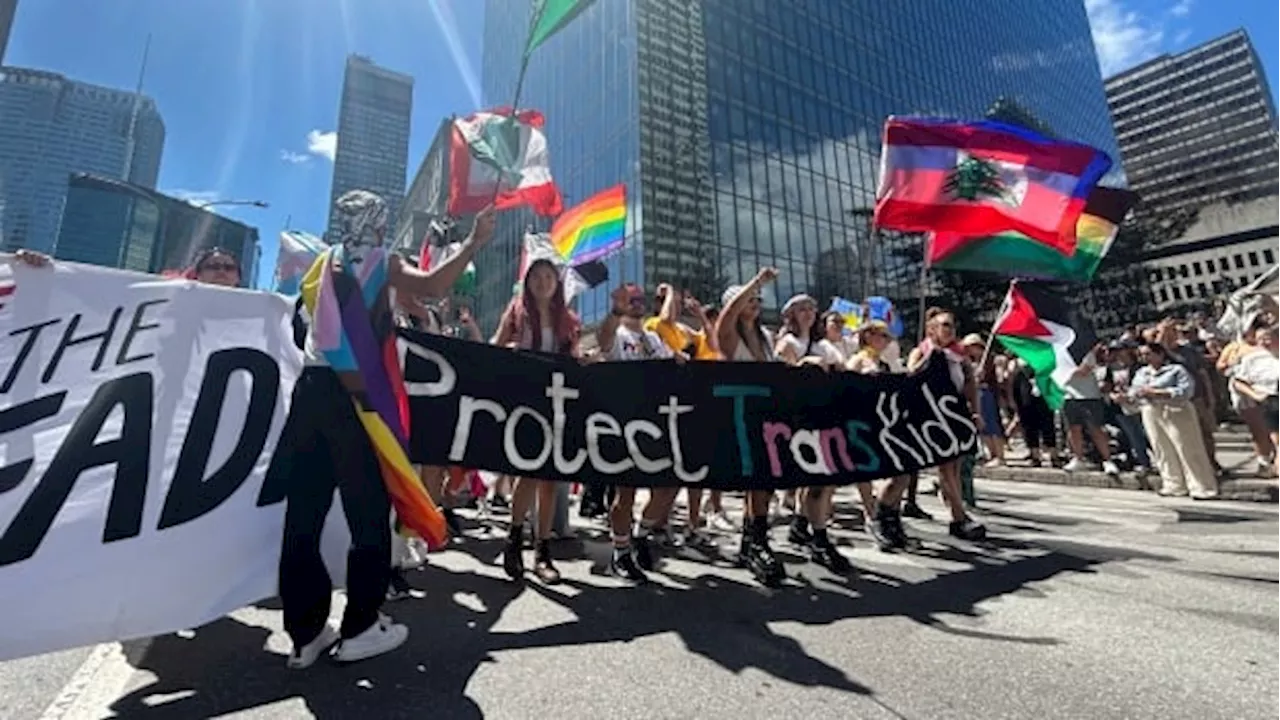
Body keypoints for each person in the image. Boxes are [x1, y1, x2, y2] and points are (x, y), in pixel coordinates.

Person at [273, 191, 494, 669]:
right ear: (377, 224)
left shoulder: (322, 266)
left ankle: (304, 633)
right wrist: (474, 243)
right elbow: (434, 286)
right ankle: (360, 627)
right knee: (368, 513)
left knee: (303, 518)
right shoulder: (379, 261)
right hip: (355, 399)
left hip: (309, 392)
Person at [492, 258, 582, 584]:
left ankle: (543, 551)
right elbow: (493, 348)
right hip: (524, 405)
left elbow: (573, 360)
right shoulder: (516, 312)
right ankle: (514, 540)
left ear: (557, 284)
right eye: (537, 276)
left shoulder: (568, 320)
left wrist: (581, 358)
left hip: (556, 406)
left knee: (550, 480)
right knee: (527, 474)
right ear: (528, 281)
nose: (543, 281)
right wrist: (511, 349)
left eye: (549, 276)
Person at [597, 283, 687, 582]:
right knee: (626, 493)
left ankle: (640, 534)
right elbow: (603, 339)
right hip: (625, 424)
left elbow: (668, 367)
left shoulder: (654, 338)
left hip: (656, 425)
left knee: (669, 486)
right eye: (630, 300)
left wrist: (677, 362)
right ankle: (620, 552)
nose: (636, 303)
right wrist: (615, 311)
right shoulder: (618, 335)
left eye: (639, 299)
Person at [715, 268, 786, 586]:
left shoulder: (766, 338)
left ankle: (752, 538)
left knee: (764, 483)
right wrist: (755, 282)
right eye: (749, 299)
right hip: (739, 416)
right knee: (756, 479)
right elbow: (726, 317)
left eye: (758, 299)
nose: (755, 302)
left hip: (768, 416)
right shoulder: (728, 337)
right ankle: (756, 542)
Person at [775, 292, 852, 572]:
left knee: (821, 479)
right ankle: (818, 537)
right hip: (798, 419)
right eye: (801, 309)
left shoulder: (823, 345)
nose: (807, 313)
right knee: (814, 477)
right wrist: (807, 365)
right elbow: (785, 376)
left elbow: (841, 366)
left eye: (811, 308)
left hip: (823, 416)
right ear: (791, 315)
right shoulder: (789, 343)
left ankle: (802, 525)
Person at [907, 307, 986, 540]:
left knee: (955, 466)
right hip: (932, 413)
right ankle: (958, 516)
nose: (950, 330)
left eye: (952, 325)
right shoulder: (921, 350)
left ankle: (957, 513)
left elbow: (971, 386)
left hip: (956, 412)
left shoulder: (960, 355)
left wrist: (976, 412)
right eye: (944, 325)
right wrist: (930, 355)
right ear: (932, 330)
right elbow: (911, 374)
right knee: (945, 465)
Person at [846, 320, 916, 551]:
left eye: (888, 336)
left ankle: (890, 517)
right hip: (865, 424)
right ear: (868, 336)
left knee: (902, 474)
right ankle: (876, 517)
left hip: (889, 423)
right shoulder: (858, 361)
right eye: (882, 335)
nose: (886, 340)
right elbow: (846, 390)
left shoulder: (886, 362)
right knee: (880, 474)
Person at [1130, 343, 1219, 499]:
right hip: (1151, 410)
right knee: (1162, 448)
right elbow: (1135, 390)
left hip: (1176, 409)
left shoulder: (1176, 370)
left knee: (1187, 447)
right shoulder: (1142, 373)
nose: (1145, 357)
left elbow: (1186, 391)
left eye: (1148, 353)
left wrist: (1159, 392)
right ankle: (1173, 484)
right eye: (1142, 355)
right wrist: (1133, 395)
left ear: (1160, 354)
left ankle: (1202, 486)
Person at [1061, 343, 1121, 476]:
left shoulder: (1088, 354)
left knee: (1095, 429)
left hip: (1089, 396)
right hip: (1068, 396)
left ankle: (1107, 460)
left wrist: (1064, 371)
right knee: (1073, 428)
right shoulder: (1060, 356)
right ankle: (1078, 458)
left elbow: (1084, 371)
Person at [1230, 325, 1280, 479]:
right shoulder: (1252, 359)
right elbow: (1238, 382)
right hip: (1271, 400)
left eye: (1267, 338)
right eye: (1260, 339)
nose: (1264, 342)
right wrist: (1256, 395)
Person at [962, 334, 1006, 468]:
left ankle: (999, 455)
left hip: (987, 394)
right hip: (977, 395)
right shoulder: (970, 362)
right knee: (983, 427)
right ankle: (991, 454)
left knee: (992, 424)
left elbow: (999, 378)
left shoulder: (990, 360)